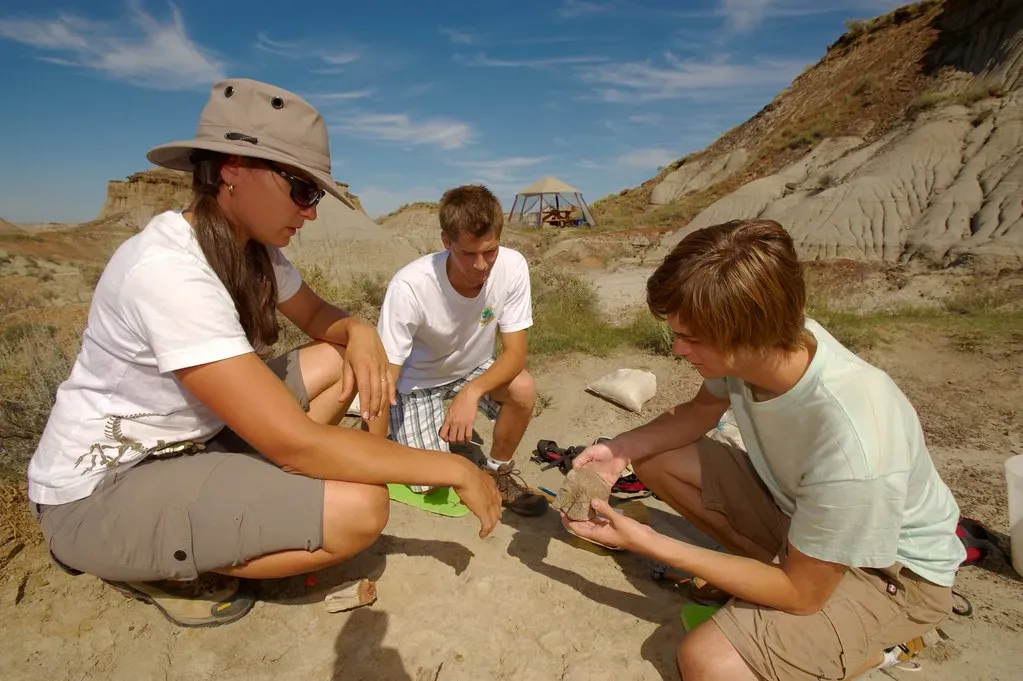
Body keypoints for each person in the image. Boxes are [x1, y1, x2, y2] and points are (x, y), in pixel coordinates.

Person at [25, 78, 501, 628]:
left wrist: (360, 330)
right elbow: (293, 443)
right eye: (303, 189)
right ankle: (162, 564)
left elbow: (325, 321)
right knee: (362, 510)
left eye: (315, 194)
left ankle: (242, 502)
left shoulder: (254, 252)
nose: (312, 211)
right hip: (102, 494)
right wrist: (452, 470)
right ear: (232, 169)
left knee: (340, 358)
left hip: (190, 443)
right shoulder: (169, 272)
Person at [564, 219, 966, 680]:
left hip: (888, 572)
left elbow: (803, 593)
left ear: (753, 331)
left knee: (707, 662)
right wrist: (620, 449)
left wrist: (649, 542)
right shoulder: (768, 345)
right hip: (802, 521)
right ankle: (760, 586)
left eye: (693, 338)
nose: (677, 349)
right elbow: (700, 411)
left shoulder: (855, 437)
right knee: (655, 455)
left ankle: (885, 644)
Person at [368, 184, 549, 517]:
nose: (481, 265)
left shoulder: (512, 266)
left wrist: (471, 392)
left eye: (490, 251)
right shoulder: (410, 287)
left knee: (523, 388)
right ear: (446, 242)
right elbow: (386, 376)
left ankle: (499, 473)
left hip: (472, 370)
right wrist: (371, 460)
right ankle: (402, 437)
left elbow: (515, 355)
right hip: (418, 382)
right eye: (468, 254)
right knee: (430, 484)